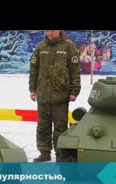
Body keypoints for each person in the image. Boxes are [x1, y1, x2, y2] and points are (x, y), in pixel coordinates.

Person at [29, 30, 81, 162]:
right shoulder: (41, 47)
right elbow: (34, 70)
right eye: (47, 30)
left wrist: (74, 91)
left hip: (61, 95)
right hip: (43, 94)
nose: (49, 33)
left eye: (52, 30)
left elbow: (74, 72)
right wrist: (32, 89)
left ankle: (61, 154)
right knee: (43, 125)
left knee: (60, 127)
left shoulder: (69, 47)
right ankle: (44, 152)